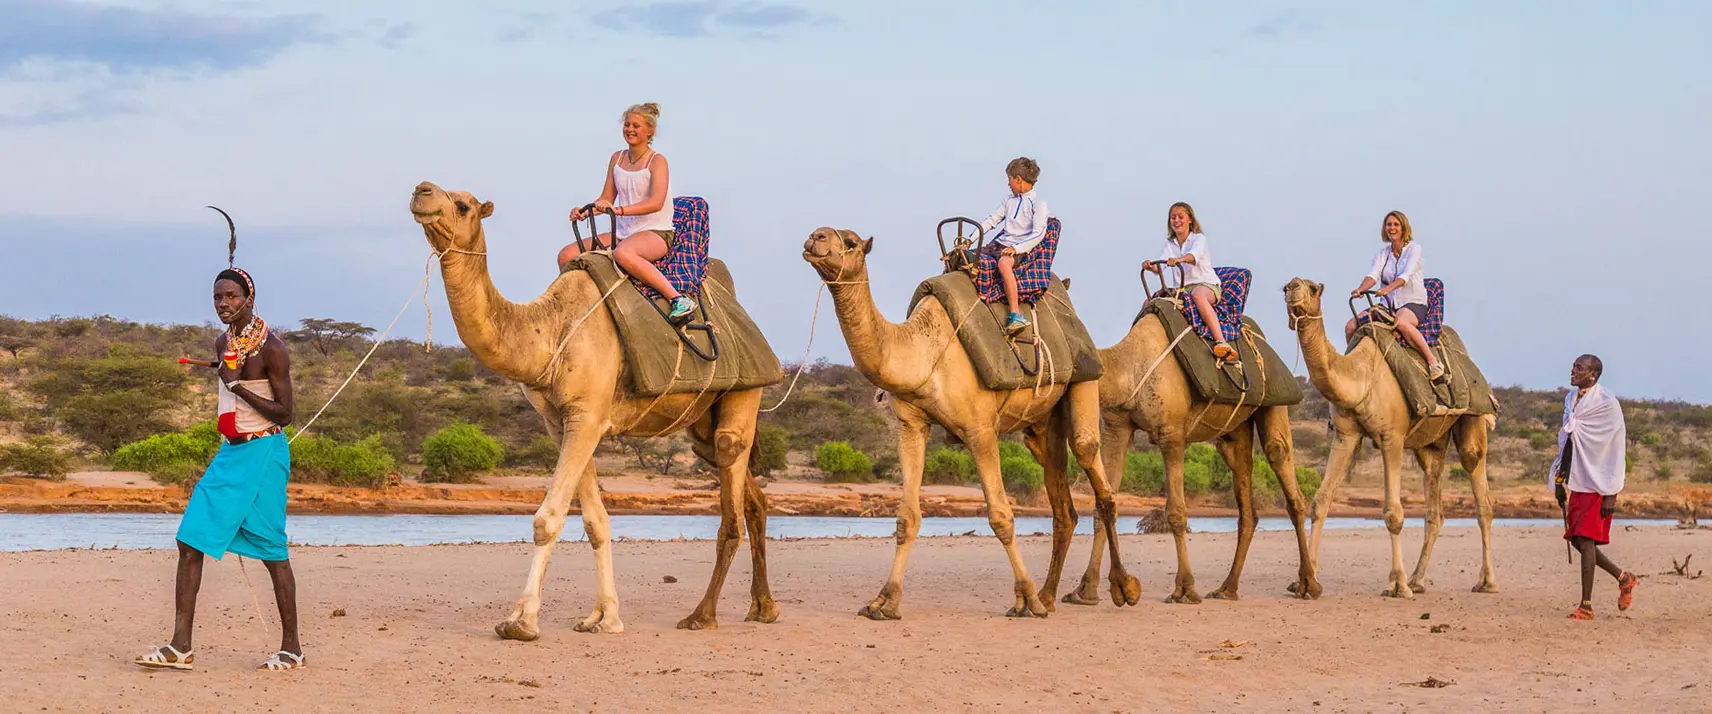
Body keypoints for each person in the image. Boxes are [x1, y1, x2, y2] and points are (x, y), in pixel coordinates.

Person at [136, 266, 303, 672]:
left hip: (264, 453)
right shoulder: (221, 342)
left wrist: (236, 385)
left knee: (272, 551)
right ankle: (180, 647)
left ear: (249, 297)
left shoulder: (272, 349)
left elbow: (287, 412)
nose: (223, 304)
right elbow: (230, 386)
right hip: (230, 454)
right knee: (190, 539)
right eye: (217, 298)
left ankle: (292, 648)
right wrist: (229, 378)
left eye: (231, 296)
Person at [557, 102, 696, 324]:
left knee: (624, 254)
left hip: (655, 232)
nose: (630, 129)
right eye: (627, 124)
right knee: (566, 255)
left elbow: (656, 202)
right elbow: (606, 198)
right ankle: (573, 310)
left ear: (649, 131)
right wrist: (585, 212)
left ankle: (678, 300)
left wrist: (619, 210)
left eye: (636, 125)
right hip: (623, 232)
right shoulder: (617, 158)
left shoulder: (657, 161)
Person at [1550, 354, 1637, 620]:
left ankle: (1586, 606)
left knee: (1586, 541)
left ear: (1594, 374)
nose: (1573, 370)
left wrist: (1612, 491)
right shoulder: (1571, 400)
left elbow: (1614, 447)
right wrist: (1559, 479)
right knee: (1577, 539)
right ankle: (1624, 578)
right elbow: (1568, 441)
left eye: (1580, 368)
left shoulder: (1607, 403)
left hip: (1600, 482)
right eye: (1574, 366)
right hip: (1577, 478)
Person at [1345, 210, 1443, 381]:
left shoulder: (1414, 249)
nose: (1392, 228)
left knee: (1401, 323)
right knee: (1351, 326)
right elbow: (1373, 276)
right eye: (1389, 224)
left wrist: (1388, 289)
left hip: (1412, 303)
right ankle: (1353, 366)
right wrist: (1360, 289)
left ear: (1403, 227)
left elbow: (1406, 275)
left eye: (1395, 224)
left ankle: (1433, 361)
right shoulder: (1383, 254)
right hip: (1386, 305)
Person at [1143, 202, 1236, 362]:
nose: (1176, 221)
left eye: (1180, 217)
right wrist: (1150, 266)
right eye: (1173, 217)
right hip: (1183, 290)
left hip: (1206, 285)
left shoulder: (1199, 239)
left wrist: (1178, 260)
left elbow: (1193, 257)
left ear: (1190, 220)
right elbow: (1160, 268)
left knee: (1198, 295)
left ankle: (1221, 341)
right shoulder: (1170, 245)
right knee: (1150, 301)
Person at [976, 157, 1049, 334]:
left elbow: (1038, 234)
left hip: (1019, 248)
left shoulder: (1038, 205)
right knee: (967, 257)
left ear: (1018, 179)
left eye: (1009, 179)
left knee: (1003, 264)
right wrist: (970, 238)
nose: (1008, 184)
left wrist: (1016, 249)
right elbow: (992, 220)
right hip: (1001, 244)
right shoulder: (1010, 201)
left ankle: (1015, 314)